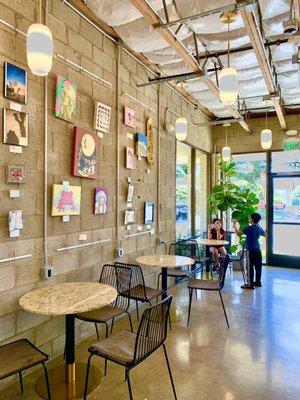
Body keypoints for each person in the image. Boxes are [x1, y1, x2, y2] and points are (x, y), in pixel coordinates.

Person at [232, 213, 266, 290]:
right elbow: (265, 235)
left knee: (250, 267)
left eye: (250, 218)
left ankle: (250, 284)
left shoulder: (250, 228)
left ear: (252, 219)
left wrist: (234, 226)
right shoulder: (259, 227)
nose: (249, 219)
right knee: (258, 266)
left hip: (250, 250)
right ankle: (257, 282)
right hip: (258, 249)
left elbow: (238, 234)